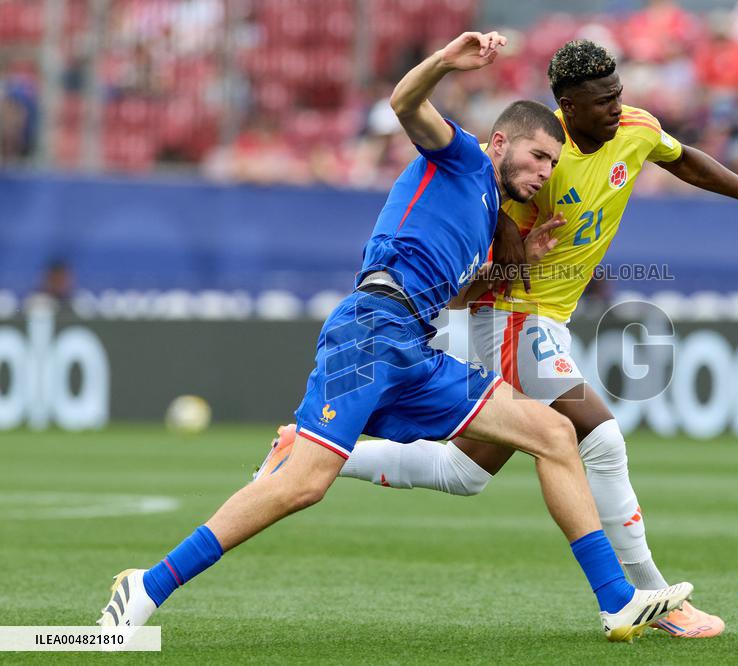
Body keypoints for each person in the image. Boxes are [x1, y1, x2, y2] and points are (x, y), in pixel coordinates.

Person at [97, 32, 691, 644]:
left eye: (552, 163)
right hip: (369, 332)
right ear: (500, 142)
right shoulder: (459, 157)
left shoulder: (489, 215)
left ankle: (617, 601)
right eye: (538, 157)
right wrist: (444, 63)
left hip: (414, 347)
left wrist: (522, 262)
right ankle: (147, 585)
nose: (546, 172)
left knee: (552, 432)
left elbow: (458, 297)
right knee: (302, 487)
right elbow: (404, 104)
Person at [319, 39, 738, 639]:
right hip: (509, 318)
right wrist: (516, 246)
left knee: (465, 473)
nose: (618, 106)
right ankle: (651, 595)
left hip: (545, 319)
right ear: (567, 106)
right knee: (601, 435)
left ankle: (317, 451)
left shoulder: (635, 128)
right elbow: (491, 255)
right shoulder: (540, 159)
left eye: (618, 93)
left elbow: (682, 156)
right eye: (603, 100)